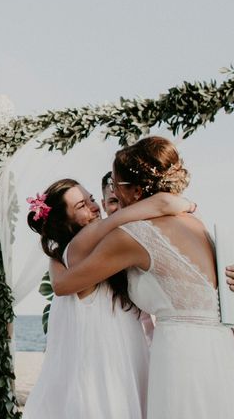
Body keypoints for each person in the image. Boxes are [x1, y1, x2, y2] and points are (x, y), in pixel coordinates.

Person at [50, 136, 234, 419]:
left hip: (180, 356)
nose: (114, 194)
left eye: (117, 186)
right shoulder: (195, 222)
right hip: (221, 353)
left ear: (134, 191)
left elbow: (68, 276)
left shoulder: (132, 236)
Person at [22, 178, 195, 418]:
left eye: (92, 199)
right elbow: (158, 205)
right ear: (65, 221)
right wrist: (185, 203)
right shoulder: (77, 248)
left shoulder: (101, 250)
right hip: (105, 377)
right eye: (82, 205)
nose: (94, 207)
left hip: (128, 367)